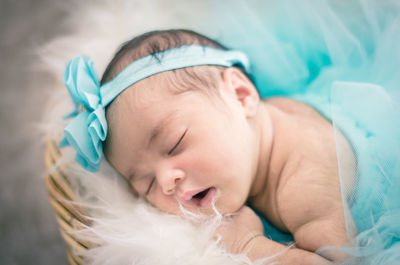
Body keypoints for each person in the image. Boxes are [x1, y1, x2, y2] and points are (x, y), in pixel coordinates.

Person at [60, 1, 400, 263]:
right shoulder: (255, 132)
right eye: (145, 184)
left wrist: (248, 245)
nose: (165, 182)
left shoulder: (305, 185)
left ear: (241, 94)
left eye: (175, 143)